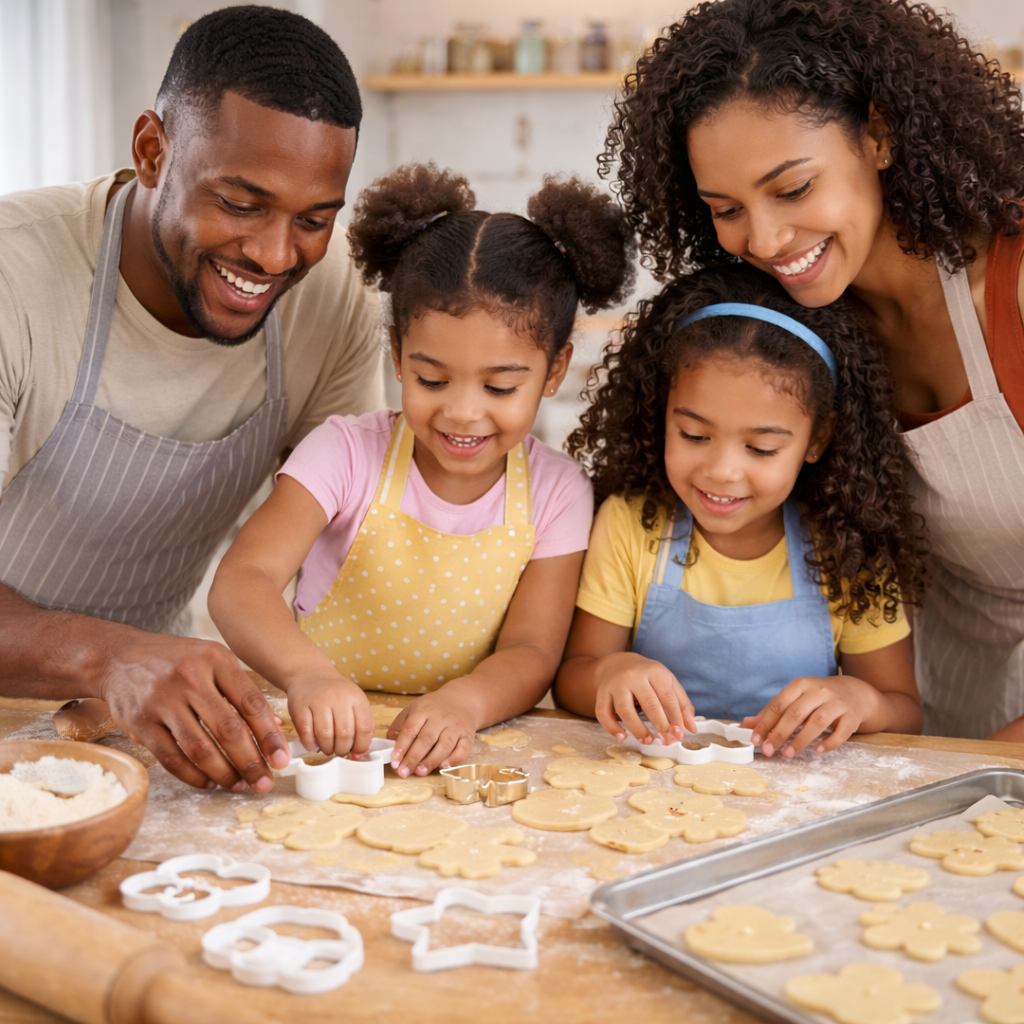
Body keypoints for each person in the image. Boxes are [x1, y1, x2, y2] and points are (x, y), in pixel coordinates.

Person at [600, 0, 1024, 741]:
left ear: (881, 133)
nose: (763, 238)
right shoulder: (797, 335)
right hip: (948, 691)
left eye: (792, 189)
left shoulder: (1015, 283)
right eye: (725, 208)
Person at [0, 6, 384, 792]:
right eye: (241, 203)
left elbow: (344, 537)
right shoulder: (16, 276)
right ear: (152, 150)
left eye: (312, 219)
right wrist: (111, 657)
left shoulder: (330, 290)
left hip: (143, 723)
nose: (276, 255)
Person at [208, 164, 635, 777]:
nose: (463, 412)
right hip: (317, 743)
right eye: (432, 379)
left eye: (500, 385)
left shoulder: (558, 491)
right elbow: (241, 580)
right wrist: (308, 675)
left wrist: (463, 703)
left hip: (462, 747)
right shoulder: (346, 453)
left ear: (556, 369)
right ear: (398, 354)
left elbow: (532, 650)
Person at [555, 265, 928, 757]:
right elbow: (575, 675)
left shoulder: (847, 547)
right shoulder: (630, 524)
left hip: (795, 803)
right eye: (694, 436)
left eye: (761, 448)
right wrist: (610, 672)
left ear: (817, 438)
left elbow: (904, 710)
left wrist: (859, 699)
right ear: (661, 411)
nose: (723, 471)